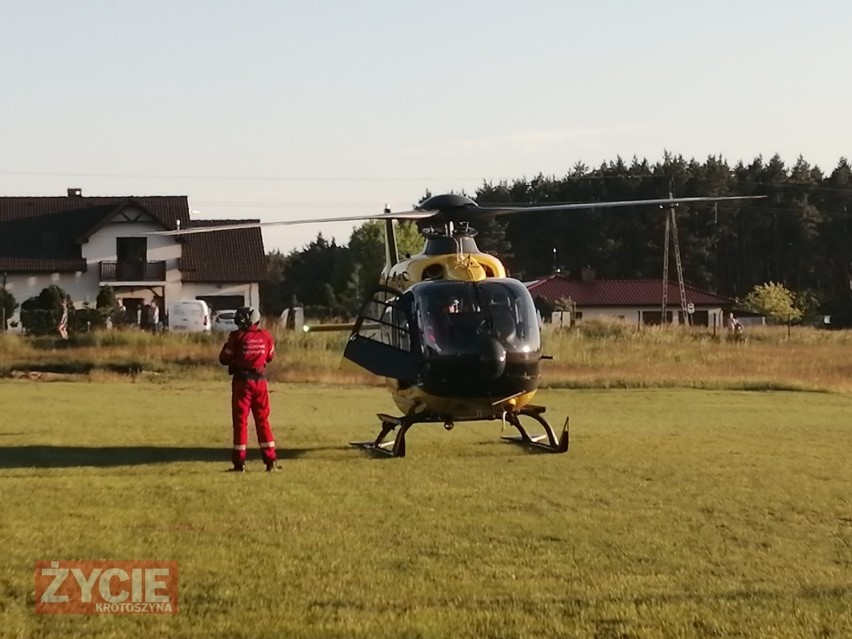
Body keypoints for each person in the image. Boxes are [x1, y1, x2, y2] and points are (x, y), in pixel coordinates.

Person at [218, 306, 278, 472]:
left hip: (242, 383)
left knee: (240, 422)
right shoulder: (266, 336)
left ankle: (239, 463)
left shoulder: (237, 337)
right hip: (260, 383)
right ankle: (270, 461)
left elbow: (224, 358)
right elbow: (269, 356)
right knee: (263, 420)